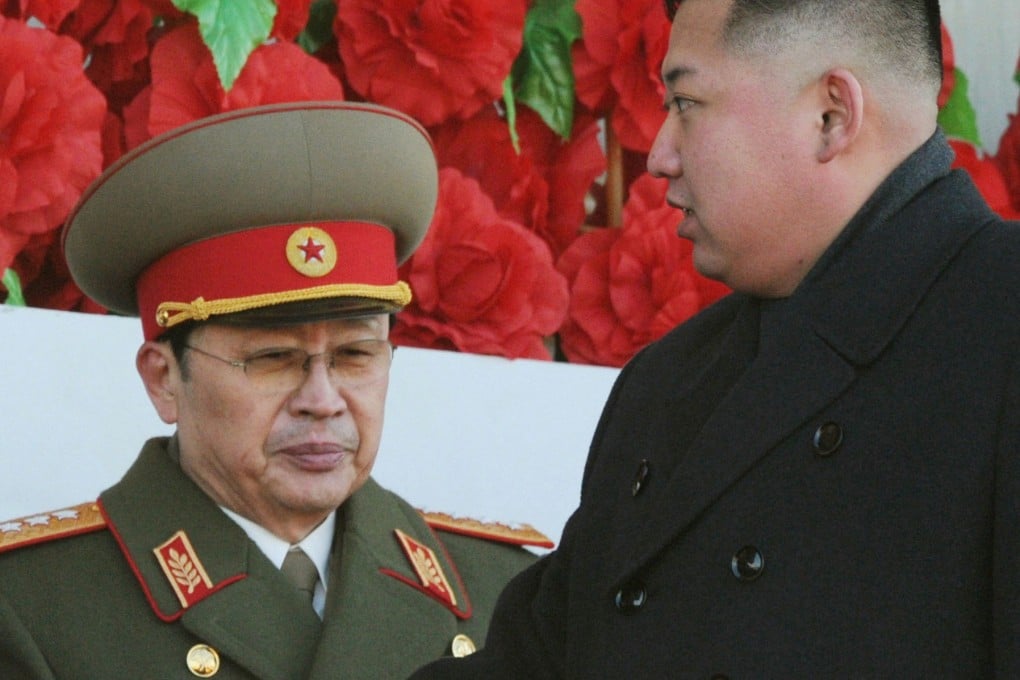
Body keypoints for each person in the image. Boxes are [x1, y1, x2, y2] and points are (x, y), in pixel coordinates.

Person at [410, 0, 1020, 677]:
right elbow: (541, 659)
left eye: (688, 103)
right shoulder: (667, 379)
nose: (660, 155)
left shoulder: (1000, 325)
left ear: (831, 116)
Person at [0, 101, 550, 679]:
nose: (323, 399)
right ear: (164, 379)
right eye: (273, 360)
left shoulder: (501, 589)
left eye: (355, 355)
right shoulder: (36, 608)